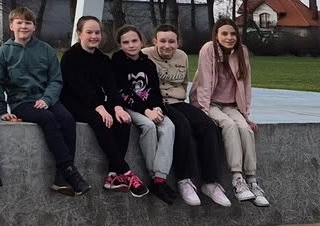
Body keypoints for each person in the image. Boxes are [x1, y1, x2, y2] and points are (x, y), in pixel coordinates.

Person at [0, 6, 85, 195]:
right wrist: (1, 111)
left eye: (28, 23)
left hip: (46, 99)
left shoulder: (46, 50)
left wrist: (47, 99)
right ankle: (70, 171)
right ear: (11, 26)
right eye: (19, 22)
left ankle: (60, 178)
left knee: (67, 119)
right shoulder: (3, 53)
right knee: (47, 118)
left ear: (34, 27)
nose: (24, 26)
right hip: (21, 102)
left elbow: (56, 80)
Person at [149, 25, 229, 207]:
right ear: (155, 41)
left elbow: (183, 83)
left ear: (178, 43)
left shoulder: (182, 56)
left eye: (172, 41)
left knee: (208, 125)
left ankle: (211, 182)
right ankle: (184, 180)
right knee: (182, 126)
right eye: (162, 41)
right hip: (158, 102)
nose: (167, 45)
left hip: (177, 101)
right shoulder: (146, 55)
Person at [194, 19, 270, 207]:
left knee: (245, 129)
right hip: (208, 103)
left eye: (233, 34)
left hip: (230, 105)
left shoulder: (241, 52)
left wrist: (245, 115)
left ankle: (252, 180)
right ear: (216, 35)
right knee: (228, 125)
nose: (229, 37)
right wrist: (204, 112)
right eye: (224, 34)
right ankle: (237, 180)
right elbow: (204, 83)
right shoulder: (208, 49)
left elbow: (246, 86)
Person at [63, 15, 137, 194]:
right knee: (102, 121)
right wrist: (101, 108)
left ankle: (113, 175)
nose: (94, 36)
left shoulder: (103, 59)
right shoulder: (70, 57)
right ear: (79, 34)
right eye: (89, 32)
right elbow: (80, 88)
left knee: (123, 120)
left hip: (96, 102)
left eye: (97, 32)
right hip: (74, 102)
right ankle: (125, 171)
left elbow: (111, 87)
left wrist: (117, 107)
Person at [109, 24, 175, 200]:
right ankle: (154, 176)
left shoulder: (148, 63)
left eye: (134, 41)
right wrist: (147, 112)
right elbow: (123, 93)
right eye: (126, 42)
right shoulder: (117, 62)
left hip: (149, 108)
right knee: (149, 126)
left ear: (141, 42)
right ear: (120, 45)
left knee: (168, 126)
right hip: (130, 107)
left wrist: (157, 108)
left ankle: (159, 179)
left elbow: (155, 92)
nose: (131, 45)